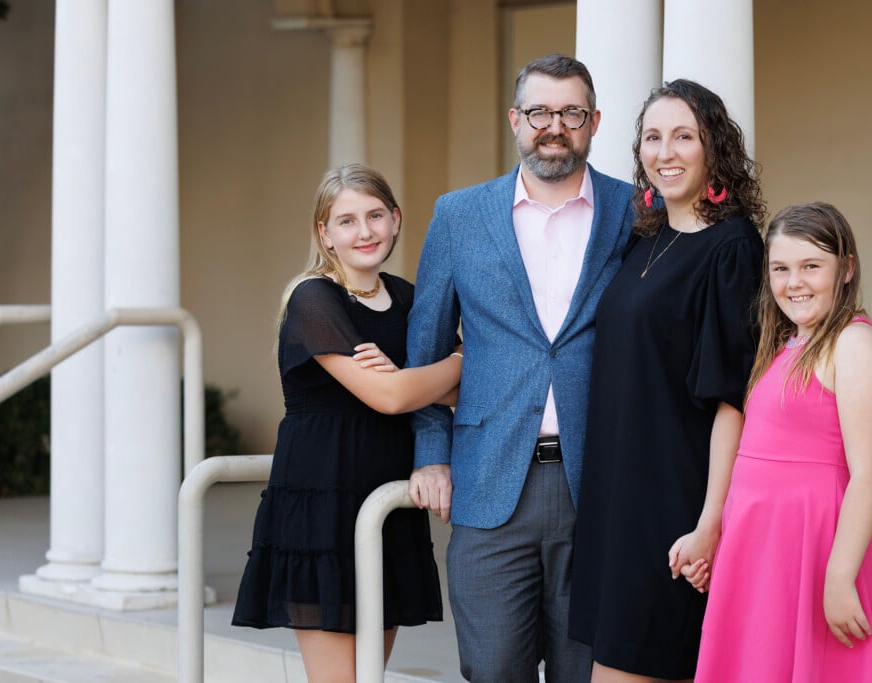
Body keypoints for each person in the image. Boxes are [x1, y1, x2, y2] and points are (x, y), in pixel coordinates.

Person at [405, 54, 635, 682]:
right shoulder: (458, 215)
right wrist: (431, 452)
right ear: (515, 119)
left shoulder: (635, 212)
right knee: (493, 668)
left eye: (571, 113)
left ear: (593, 122)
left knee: (587, 670)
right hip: (488, 481)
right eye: (539, 111)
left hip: (601, 483)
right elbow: (424, 347)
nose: (553, 125)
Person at [232, 164, 463, 683]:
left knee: (370, 675)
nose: (364, 232)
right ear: (325, 233)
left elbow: (454, 395)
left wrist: (415, 377)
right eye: (346, 221)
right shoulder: (314, 298)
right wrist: (459, 362)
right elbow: (388, 397)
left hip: (384, 502)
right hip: (321, 503)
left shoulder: (408, 299)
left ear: (396, 220)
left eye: (375, 215)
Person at [568, 79, 766, 683]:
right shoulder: (644, 237)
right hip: (615, 496)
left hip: (672, 500)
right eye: (653, 137)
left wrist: (709, 523)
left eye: (684, 136)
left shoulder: (732, 248)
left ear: (714, 148)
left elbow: (733, 399)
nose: (666, 152)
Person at [687, 202, 872, 683]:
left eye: (811, 267)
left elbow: (870, 471)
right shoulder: (781, 346)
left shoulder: (852, 343)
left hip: (813, 551)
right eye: (781, 269)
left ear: (846, 270)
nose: (794, 282)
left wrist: (840, 576)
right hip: (757, 550)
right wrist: (720, 538)